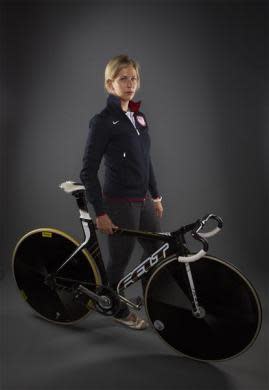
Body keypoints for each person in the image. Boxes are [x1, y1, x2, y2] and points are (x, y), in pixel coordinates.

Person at [80, 54, 163, 330]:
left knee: (157, 249)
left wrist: (156, 195)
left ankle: (152, 298)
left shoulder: (138, 117)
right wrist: (100, 212)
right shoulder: (102, 121)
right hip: (119, 203)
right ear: (109, 84)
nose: (130, 83)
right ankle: (114, 307)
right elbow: (88, 172)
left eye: (134, 78)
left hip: (143, 200)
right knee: (120, 259)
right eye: (123, 78)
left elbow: (146, 158)